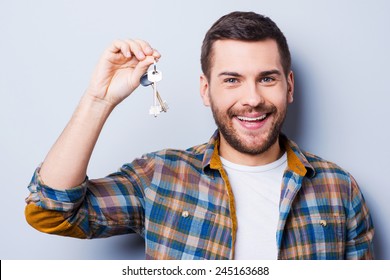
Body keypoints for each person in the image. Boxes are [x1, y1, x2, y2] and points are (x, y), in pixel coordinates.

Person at [25, 11, 374, 260]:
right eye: (232, 80)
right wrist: (98, 100)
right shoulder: (160, 176)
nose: (252, 99)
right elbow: (51, 211)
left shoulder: (338, 188)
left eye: (267, 78)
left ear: (289, 86)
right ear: (206, 90)